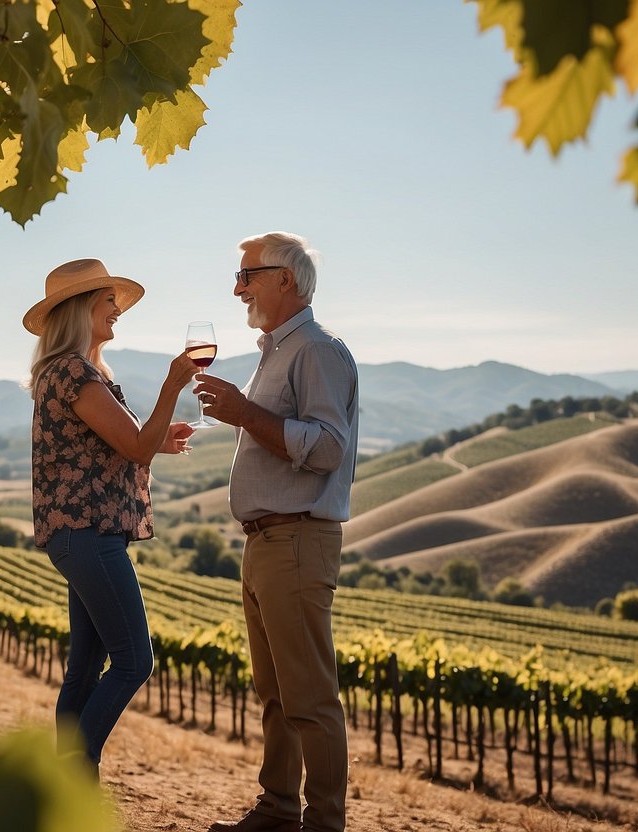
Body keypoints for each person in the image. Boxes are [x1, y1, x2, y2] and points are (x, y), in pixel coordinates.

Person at [194, 232, 359, 832]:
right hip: (267, 541)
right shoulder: (277, 351)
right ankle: (278, 810)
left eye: (247, 276)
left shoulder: (317, 350)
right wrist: (244, 413)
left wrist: (244, 414)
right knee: (276, 695)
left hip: (296, 539)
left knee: (309, 698)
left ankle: (322, 823)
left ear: (284, 279)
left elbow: (329, 448)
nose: (237, 288)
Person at [25, 257, 198, 779]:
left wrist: (155, 443)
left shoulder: (66, 372)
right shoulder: (75, 372)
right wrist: (174, 383)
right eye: (108, 300)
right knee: (133, 660)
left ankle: (65, 793)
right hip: (90, 536)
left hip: (80, 537)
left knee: (83, 672)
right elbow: (135, 444)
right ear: (81, 309)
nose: (117, 308)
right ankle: (76, 776)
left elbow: (121, 446)